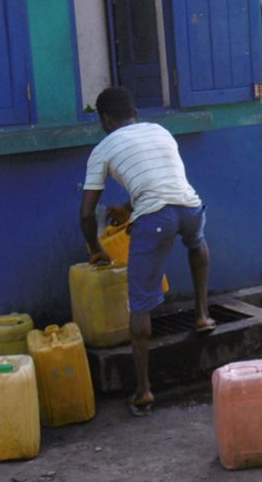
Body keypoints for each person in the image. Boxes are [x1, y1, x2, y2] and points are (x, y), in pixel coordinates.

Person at [79, 86, 215, 417]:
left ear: (105, 119)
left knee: (139, 304)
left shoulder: (103, 148)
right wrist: (128, 208)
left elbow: (86, 214)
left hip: (155, 219)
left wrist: (96, 248)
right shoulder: (160, 131)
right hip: (190, 207)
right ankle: (201, 314)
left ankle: (143, 391)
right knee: (196, 242)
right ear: (135, 113)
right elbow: (163, 183)